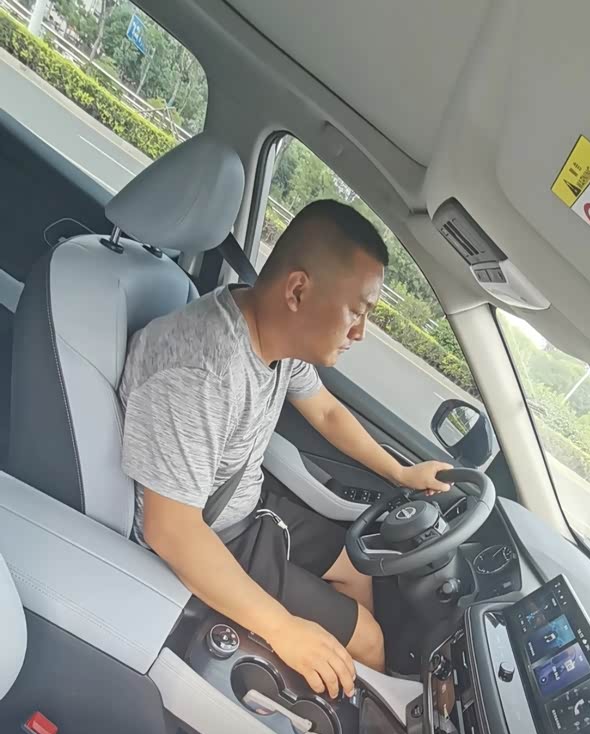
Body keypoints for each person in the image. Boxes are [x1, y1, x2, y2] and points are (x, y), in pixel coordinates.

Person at [119, 199, 451, 699]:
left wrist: (402, 474)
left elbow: (327, 413)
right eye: (356, 312)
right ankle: (355, 700)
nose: (360, 333)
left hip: (243, 511)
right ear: (297, 291)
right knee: (369, 636)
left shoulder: (273, 336)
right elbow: (171, 530)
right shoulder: (201, 371)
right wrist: (283, 629)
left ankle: (342, 673)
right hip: (208, 537)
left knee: (357, 565)